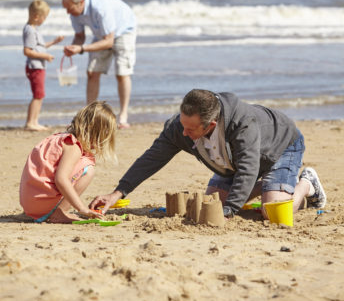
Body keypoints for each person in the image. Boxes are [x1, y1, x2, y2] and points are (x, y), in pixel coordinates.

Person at [90, 89, 327, 220]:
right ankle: (271, 185)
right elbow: (152, 158)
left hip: (280, 146)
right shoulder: (180, 127)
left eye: (191, 129)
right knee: (212, 203)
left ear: (211, 125)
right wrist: (118, 192)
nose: (183, 132)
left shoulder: (243, 125)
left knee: (272, 212)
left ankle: (306, 183)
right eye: (182, 124)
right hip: (238, 160)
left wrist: (228, 212)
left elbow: (247, 169)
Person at [20, 100, 117, 223]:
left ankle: (51, 210)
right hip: (42, 204)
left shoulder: (57, 138)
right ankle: (60, 212)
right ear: (92, 133)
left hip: (30, 203)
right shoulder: (73, 146)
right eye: (101, 139)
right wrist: (82, 208)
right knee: (88, 169)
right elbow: (61, 179)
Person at [62, 0, 136, 129]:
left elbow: (109, 41)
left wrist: (82, 48)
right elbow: (79, 36)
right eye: (66, 8)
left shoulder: (100, 8)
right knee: (92, 73)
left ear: (81, 2)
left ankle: (123, 116)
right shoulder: (74, 13)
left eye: (69, 8)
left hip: (124, 30)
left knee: (122, 73)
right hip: (101, 34)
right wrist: (73, 48)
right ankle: (88, 117)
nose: (67, 12)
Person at [23, 0, 64, 131]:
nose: (44, 20)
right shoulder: (30, 30)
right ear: (36, 16)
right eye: (44, 17)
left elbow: (39, 47)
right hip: (35, 67)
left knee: (40, 94)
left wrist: (54, 42)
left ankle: (34, 121)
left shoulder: (33, 29)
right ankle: (31, 122)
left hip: (39, 67)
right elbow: (28, 51)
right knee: (38, 95)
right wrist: (45, 56)